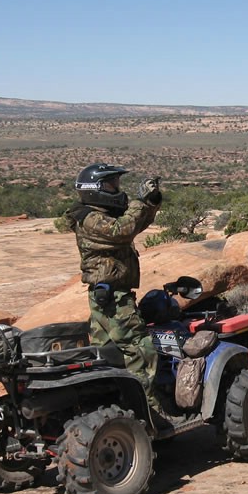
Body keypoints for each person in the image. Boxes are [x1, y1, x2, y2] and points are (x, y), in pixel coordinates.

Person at [64, 163, 178, 423]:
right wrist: (139, 202)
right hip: (113, 297)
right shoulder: (89, 218)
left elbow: (135, 224)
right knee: (141, 350)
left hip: (112, 294)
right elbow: (123, 231)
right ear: (95, 189)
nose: (117, 188)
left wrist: (150, 202)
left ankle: (118, 408)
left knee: (107, 354)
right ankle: (151, 416)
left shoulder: (100, 213)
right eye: (112, 184)